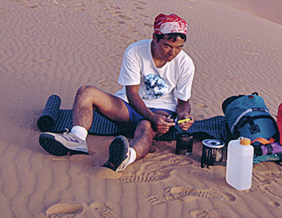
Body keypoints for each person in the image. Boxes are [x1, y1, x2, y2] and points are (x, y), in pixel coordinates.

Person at [39, 13, 195, 172]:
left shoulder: (186, 64)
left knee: (146, 126)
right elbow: (132, 94)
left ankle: (127, 157)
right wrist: (150, 115)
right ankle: (77, 139)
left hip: (162, 111)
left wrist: (184, 115)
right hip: (129, 105)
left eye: (179, 47)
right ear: (155, 38)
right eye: (167, 46)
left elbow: (183, 103)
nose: (173, 53)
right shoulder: (135, 51)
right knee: (86, 92)